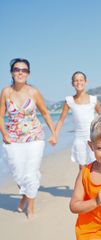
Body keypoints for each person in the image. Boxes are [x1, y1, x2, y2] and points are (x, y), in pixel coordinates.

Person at [0, 58, 57, 218]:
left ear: (28, 74)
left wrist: (53, 133)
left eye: (24, 70)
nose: (20, 72)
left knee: (30, 173)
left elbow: (45, 113)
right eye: (17, 69)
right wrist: (4, 134)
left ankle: (30, 207)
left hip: (34, 136)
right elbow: (1, 115)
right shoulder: (5, 92)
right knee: (18, 173)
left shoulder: (34, 92)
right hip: (12, 139)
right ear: (12, 72)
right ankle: (25, 194)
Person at [55, 71, 101, 169]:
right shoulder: (69, 101)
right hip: (79, 138)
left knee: (95, 166)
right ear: (72, 83)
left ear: (86, 82)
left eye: (81, 80)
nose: (78, 82)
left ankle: (94, 184)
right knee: (83, 168)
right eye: (76, 80)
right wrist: (55, 135)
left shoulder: (93, 100)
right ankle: (83, 184)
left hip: (93, 137)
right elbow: (61, 120)